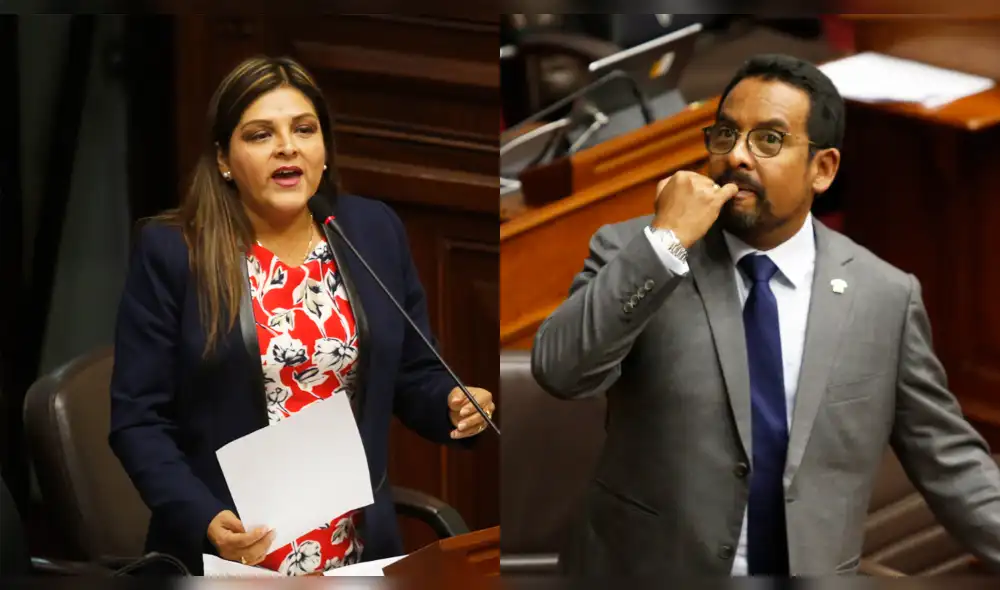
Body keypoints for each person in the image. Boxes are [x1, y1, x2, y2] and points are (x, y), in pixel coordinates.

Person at [530, 53, 1000, 577]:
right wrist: (663, 246)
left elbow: (950, 461)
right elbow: (561, 371)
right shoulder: (635, 253)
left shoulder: (883, 296)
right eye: (726, 135)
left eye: (769, 140)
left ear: (822, 169)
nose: (738, 157)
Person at [108, 56, 495, 576]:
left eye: (304, 129)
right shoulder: (175, 253)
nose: (287, 146)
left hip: (357, 551)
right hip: (232, 552)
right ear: (224, 159)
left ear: (324, 150)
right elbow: (139, 420)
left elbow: (414, 374)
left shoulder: (370, 231)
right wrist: (203, 517)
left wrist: (452, 405)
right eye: (261, 134)